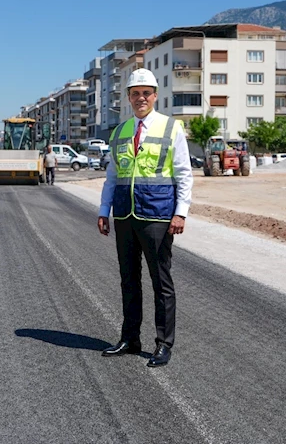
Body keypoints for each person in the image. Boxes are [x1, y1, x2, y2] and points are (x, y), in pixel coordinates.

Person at [97, 68, 193, 368]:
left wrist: (180, 213)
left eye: (146, 93)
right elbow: (112, 176)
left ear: (155, 95)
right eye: (135, 93)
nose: (141, 98)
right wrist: (104, 210)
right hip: (125, 214)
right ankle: (130, 338)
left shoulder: (171, 128)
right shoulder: (120, 132)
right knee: (129, 280)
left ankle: (164, 344)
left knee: (160, 281)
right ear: (128, 97)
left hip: (158, 215)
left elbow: (184, 174)